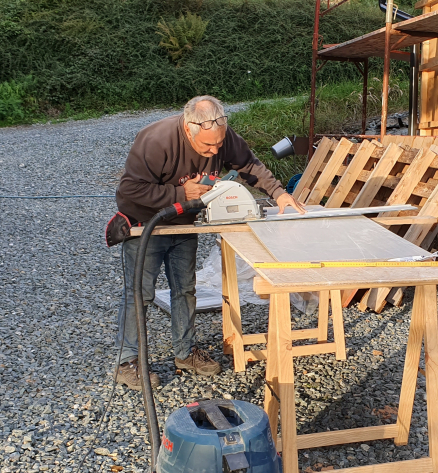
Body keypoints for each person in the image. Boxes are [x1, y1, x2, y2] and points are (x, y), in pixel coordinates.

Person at [112, 95, 305, 390]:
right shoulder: (156, 140)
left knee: (185, 290)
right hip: (145, 226)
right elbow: (128, 191)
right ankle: (127, 363)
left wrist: (279, 193)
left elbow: (249, 165)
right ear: (189, 129)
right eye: (207, 146)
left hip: (184, 224)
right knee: (140, 294)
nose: (215, 151)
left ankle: (185, 353)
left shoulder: (221, 137)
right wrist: (180, 194)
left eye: (218, 144)